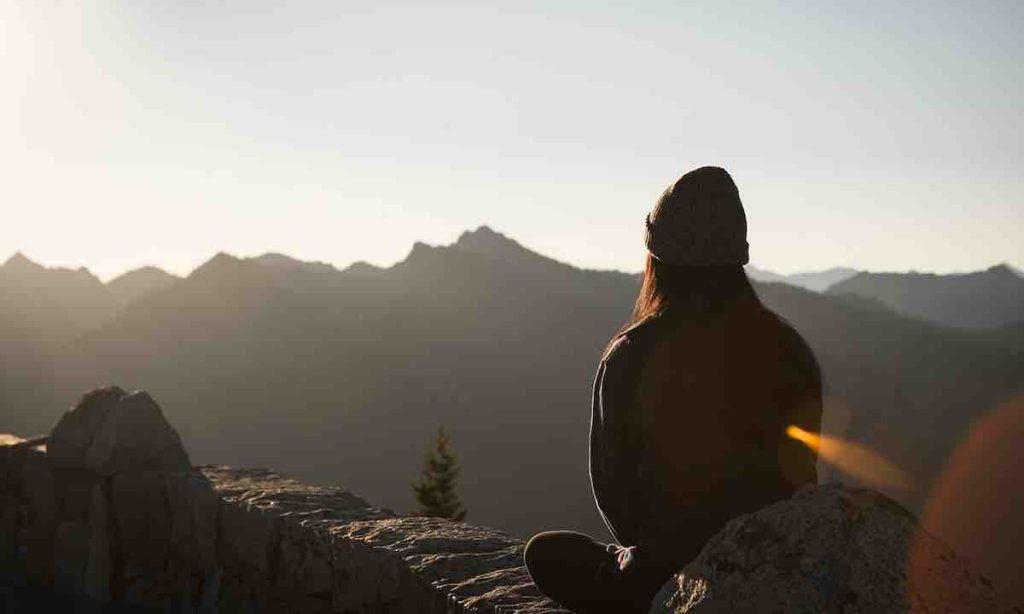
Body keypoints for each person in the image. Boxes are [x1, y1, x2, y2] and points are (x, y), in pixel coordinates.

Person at [523, 166, 823, 613]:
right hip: (778, 563)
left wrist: (648, 556)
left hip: (670, 576)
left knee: (547, 552)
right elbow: (801, 476)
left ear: (657, 259)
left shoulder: (631, 355)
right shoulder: (789, 350)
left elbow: (617, 497)